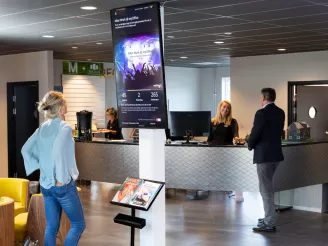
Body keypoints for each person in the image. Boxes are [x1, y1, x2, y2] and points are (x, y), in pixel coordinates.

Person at [21, 91, 86, 246]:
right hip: (61, 185)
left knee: (51, 227)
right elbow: (57, 153)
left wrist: (42, 168)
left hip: (45, 185)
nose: (67, 104)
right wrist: (60, 179)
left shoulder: (42, 128)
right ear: (60, 108)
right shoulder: (64, 127)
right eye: (65, 102)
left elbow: (25, 149)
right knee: (78, 225)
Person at [246, 88, 285, 233]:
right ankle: (268, 217)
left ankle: (270, 222)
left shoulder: (261, 113)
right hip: (276, 155)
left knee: (266, 190)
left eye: (260, 97)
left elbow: (256, 133)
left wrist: (249, 144)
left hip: (264, 156)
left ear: (263, 98)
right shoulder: (280, 112)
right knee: (268, 188)